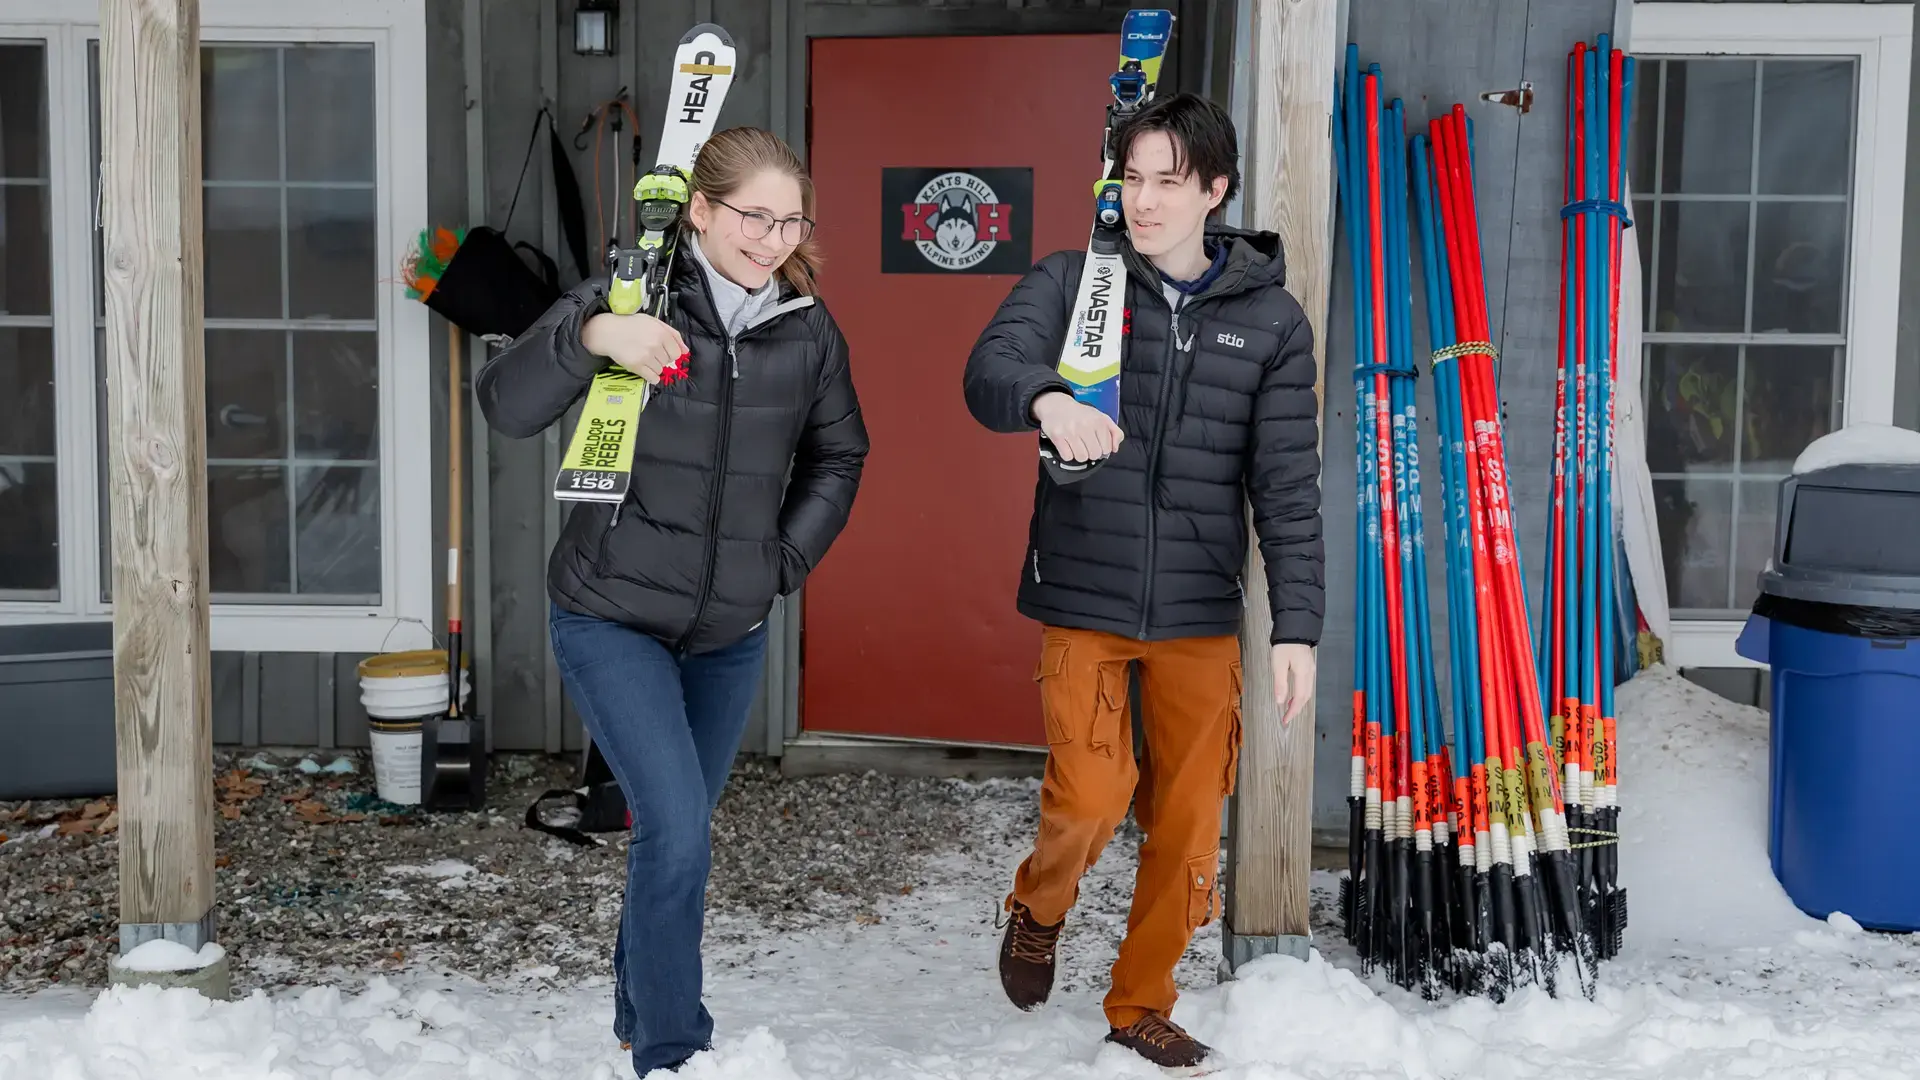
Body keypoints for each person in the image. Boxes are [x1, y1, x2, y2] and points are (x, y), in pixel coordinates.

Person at [475, 126, 868, 1076]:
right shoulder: (633, 296)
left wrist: (781, 562)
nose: (771, 238)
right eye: (751, 216)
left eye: (790, 221)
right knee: (681, 829)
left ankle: (633, 1006)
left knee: (670, 831)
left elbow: (840, 454)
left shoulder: (804, 328)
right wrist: (595, 336)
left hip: (730, 630)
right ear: (699, 209)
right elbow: (506, 401)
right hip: (610, 613)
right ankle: (671, 1048)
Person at [961, 92, 1324, 1071]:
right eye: (1134, 177)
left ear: (1216, 188)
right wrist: (1045, 396)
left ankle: (1140, 1001)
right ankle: (1039, 906)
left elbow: (1287, 483)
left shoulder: (1270, 322)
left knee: (1191, 824)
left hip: (1202, 612)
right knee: (1091, 795)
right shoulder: (1078, 282)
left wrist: (1298, 627)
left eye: (1171, 180)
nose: (1148, 199)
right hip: (1086, 592)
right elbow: (987, 369)